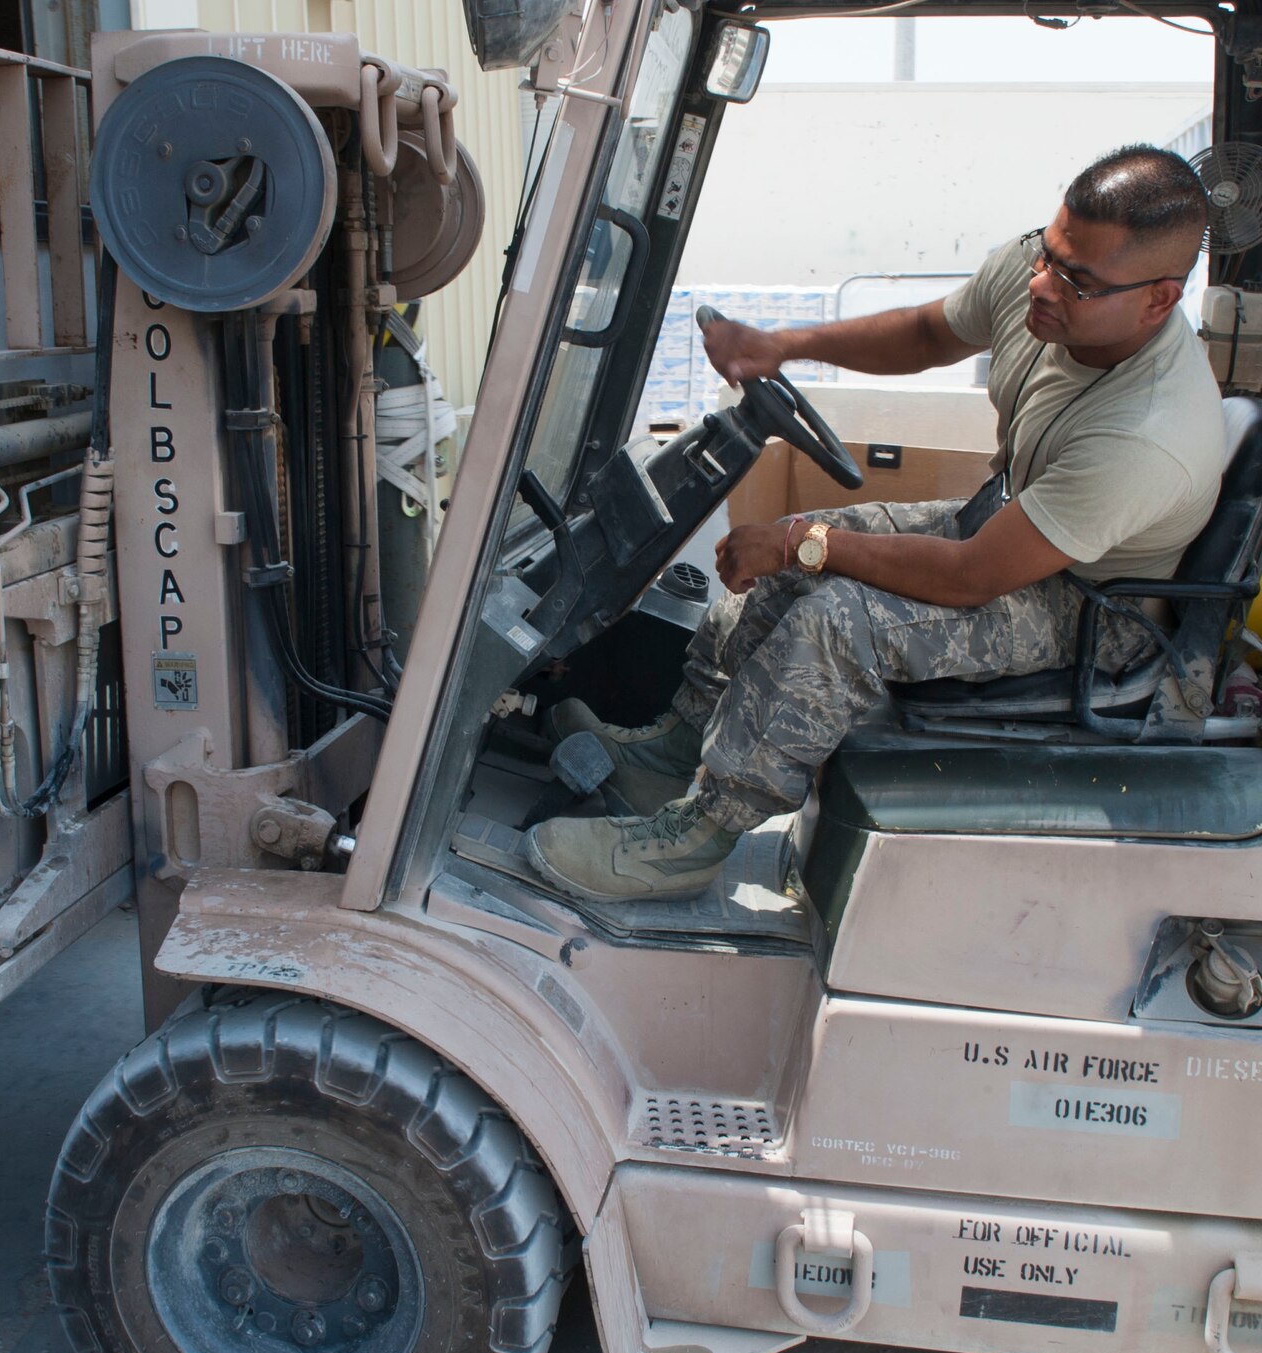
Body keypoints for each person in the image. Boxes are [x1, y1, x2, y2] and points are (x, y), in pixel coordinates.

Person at [523, 143, 1224, 902]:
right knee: (805, 546)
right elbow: (928, 333)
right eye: (1048, 254)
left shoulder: (1148, 434)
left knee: (837, 616)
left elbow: (972, 576)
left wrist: (802, 546)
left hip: (1090, 606)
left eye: (1076, 280)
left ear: (1159, 299)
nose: (1042, 285)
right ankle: (676, 748)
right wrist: (782, 347)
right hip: (1012, 517)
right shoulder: (1046, 286)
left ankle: (698, 838)